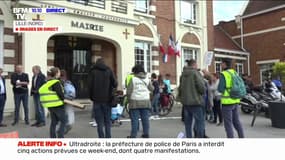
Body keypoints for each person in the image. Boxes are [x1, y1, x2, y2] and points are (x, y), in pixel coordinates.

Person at [88, 58, 117, 138]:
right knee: (107, 121)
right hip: (107, 99)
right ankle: (108, 137)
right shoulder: (109, 70)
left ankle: (101, 137)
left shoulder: (93, 71)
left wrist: (91, 97)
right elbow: (115, 83)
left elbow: (89, 86)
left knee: (99, 122)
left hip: (97, 100)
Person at [178, 59, 205, 138]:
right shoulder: (195, 73)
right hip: (196, 101)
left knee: (188, 123)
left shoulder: (182, 74)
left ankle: (189, 138)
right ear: (194, 64)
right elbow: (201, 87)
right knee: (199, 122)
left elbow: (180, 88)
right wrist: (202, 92)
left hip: (186, 102)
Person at [218, 58, 245, 138]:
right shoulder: (235, 72)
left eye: (221, 63)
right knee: (236, 122)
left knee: (228, 124)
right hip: (236, 100)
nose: (221, 64)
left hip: (227, 103)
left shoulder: (224, 74)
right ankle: (242, 137)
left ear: (225, 64)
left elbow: (220, 89)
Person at [127, 65, 154, 138]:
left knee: (135, 120)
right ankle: (146, 134)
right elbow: (152, 89)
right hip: (145, 101)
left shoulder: (133, 79)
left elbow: (129, 91)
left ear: (135, 71)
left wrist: (129, 100)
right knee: (145, 119)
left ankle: (133, 135)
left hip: (135, 101)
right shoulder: (147, 79)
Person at [39, 67, 66, 138]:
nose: (60, 73)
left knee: (53, 122)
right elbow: (60, 94)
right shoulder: (56, 82)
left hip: (51, 106)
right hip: (58, 105)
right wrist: (64, 99)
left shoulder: (48, 82)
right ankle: (60, 138)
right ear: (56, 74)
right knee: (63, 121)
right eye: (59, 72)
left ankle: (53, 138)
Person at [60, 70, 76, 134]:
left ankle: (63, 128)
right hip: (69, 100)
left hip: (64, 100)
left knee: (64, 116)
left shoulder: (60, 82)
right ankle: (67, 126)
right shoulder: (69, 82)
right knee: (69, 114)